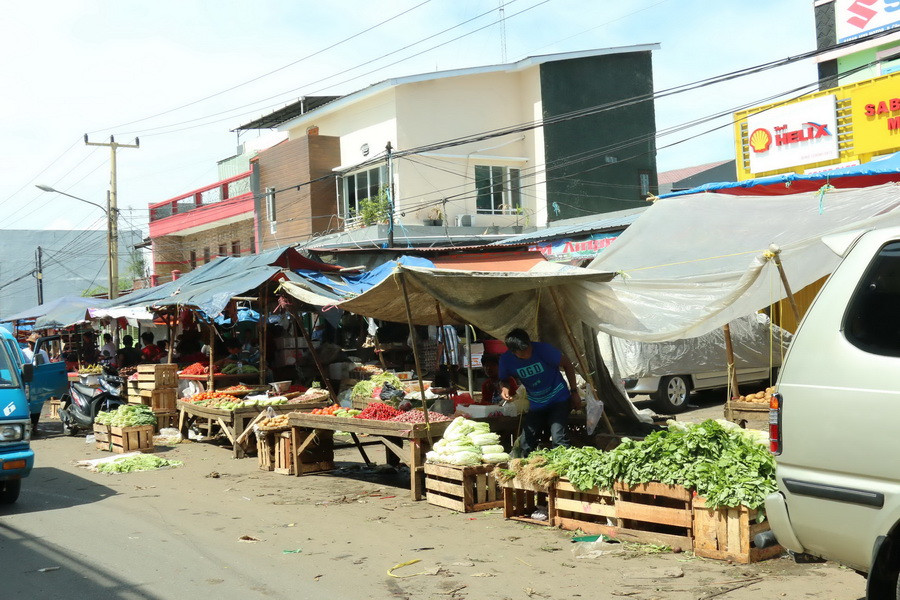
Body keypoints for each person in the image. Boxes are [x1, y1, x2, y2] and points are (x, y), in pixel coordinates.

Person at [499, 328, 581, 457]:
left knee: (558, 438)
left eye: (528, 348)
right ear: (513, 352)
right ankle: (523, 469)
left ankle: (564, 468)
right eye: (523, 352)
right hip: (537, 403)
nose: (528, 353)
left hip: (559, 398)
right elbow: (504, 380)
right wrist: (505, 388)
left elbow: (567, 364)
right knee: (526, 442)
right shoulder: (506, 360)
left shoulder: (544, 350)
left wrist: (574, 392)